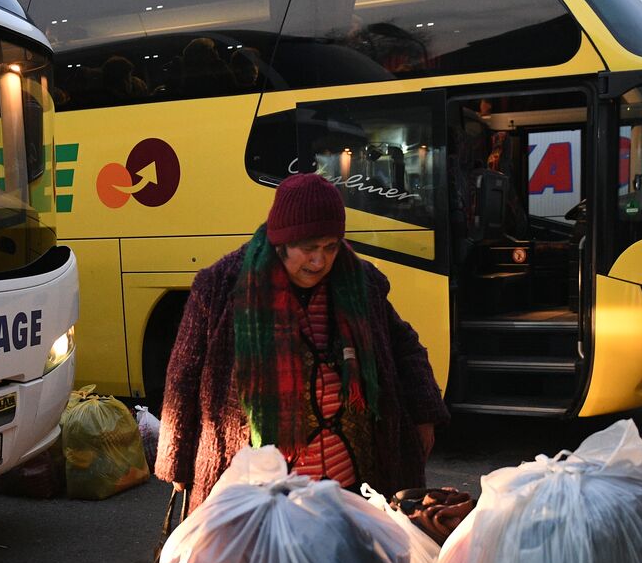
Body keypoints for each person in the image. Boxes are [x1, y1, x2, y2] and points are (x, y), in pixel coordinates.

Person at [155, 173, 449, 508]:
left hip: (352, 485)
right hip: (261, 493)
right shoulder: (221, 286)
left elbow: (405, 347)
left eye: (330, 247)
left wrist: (424, 416)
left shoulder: (362, 283)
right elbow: (183, 375)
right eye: (308, 249)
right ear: (281, 241)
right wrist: (176, 461)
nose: (319, 261)